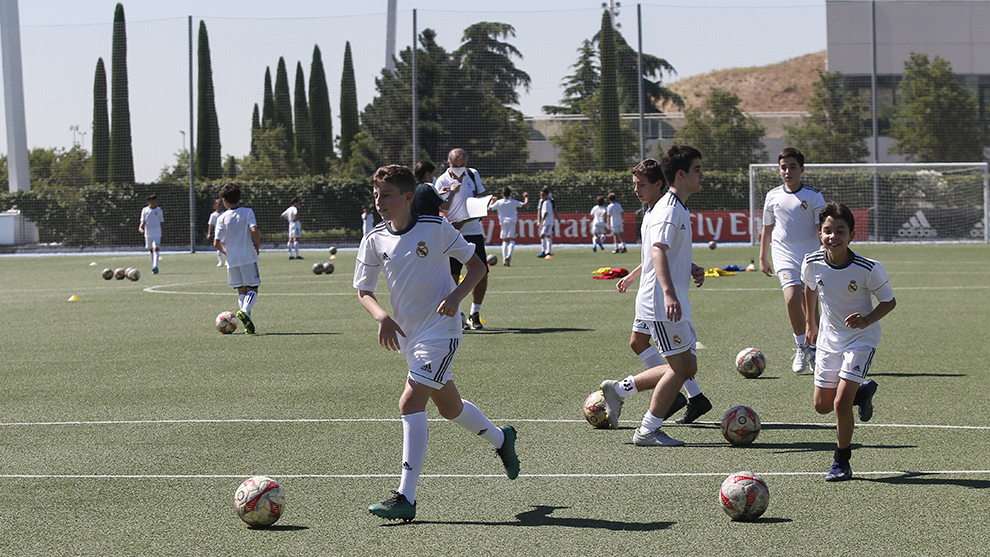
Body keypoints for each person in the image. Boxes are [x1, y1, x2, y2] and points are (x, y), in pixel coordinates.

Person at [354, 164, 519, 522]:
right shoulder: (374, 239)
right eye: (376, 195)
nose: (380, 202)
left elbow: (477, 267)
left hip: (442, 332)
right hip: (409, 338)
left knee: (410, 402)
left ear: (408, 197)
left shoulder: (436, 228)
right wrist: (381, 316)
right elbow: (364, 290)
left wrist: (457, 297)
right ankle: (502, 440)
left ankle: (405, 497)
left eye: (387, 195)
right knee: (449, 407)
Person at [600, 157, 711, 432]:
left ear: (659, 184)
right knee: (639, 342)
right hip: (651, 291)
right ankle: (684, 397)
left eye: (642, 185)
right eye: (634, 185)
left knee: (680, 365)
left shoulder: (664, 210)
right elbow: (654, 254)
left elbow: (663, 252)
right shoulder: (653, 211)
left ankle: (670, 396)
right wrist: (633, 275)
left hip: (657, 296)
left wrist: (679, 279)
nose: (636, 190)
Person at [802, 201, 894, 482]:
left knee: (841, 404)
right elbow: (809, 288)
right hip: (830, 340)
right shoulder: (811, 262)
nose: (833, 237)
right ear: (820, 234)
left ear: (852, 234)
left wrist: (866, 320)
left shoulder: (869, 268)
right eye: (828, 231)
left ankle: (842, 461)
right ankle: (862, 392)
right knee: (821, 405)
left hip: (861, 339)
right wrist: (811, 322)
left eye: (840, 231)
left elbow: (889, 302)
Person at [759, 147, 826, 373]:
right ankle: (801, 347)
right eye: (783, 167)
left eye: (792, 167)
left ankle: (814, 347)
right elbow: (767, 228)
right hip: (783, 253)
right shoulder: (773, 196)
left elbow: (821, 229)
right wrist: (762, 257)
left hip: (811, 255)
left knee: (810, 304)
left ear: (802, 169)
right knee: (791, 298)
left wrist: (826, 254)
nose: (787, 171)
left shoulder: (814, 196)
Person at [434, 148, 490, 330]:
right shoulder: (441, 180)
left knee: (481, 273)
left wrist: (487, 202)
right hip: (452, 233)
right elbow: (439, 207)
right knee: (452, 276)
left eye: (462, 165)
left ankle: (475, 313)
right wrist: (449, 223)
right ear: (448, 163)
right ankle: (457, 314)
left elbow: (480, 197)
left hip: (474, 231)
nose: (459, 169)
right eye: (455, 165)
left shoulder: (473, 174)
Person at [214, 183, 261, 335]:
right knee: (253, 288)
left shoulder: (222, 217)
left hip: (232, 259)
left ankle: (247, 320)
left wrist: (226, 252)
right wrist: (257, 246)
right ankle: (244, 311)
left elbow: (216, 242)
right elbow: (254, 230)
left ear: (225, 200)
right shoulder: (247, 212)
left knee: (241, 289)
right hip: (247, 256)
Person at [487, 186, 528, 266]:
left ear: (502, 194)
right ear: (510, 194)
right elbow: (525, 205)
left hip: (503, 222)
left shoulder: (499, 202)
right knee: (512, 240)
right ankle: (508, 256)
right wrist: (526, 197)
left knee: (504, 240)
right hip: (512, 221)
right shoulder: (513, 201)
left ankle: (504, 260)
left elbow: (489, 209)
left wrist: (492, 201)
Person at [139, 193, 164, 274]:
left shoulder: (159, 210)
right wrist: (140, 227)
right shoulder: (145, 210)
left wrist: (163, 233)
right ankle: (154, 265)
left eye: (155, 201)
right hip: (148, 233)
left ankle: (155, 266)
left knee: (156, 248)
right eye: (152, 202)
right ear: (148, 201)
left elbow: (162, 222)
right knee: (150, 249)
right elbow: (143, 221)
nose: (154, 203)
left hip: (157, 232)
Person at [536, 187, 555, 259]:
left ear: (546, 195)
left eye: (543, 195)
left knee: (543, 235)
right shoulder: (547, 202)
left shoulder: (546, 202)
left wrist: (541, 222)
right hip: (549, 221)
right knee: (548, 236)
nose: (541, 197)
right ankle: (548, 251)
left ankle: (544, 251)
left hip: (546, 222)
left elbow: (545, 213)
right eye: (541, 195)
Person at [207, 198, 225, 267]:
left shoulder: (224, 213)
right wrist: (209, 233)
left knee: (227, 246)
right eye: (218, 204)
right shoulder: (213, 215)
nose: (219, 206)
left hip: (225, 232)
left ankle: (227, 261)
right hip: (218, 232)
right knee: (218, 246)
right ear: (215, 205)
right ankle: (220, 262)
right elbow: (210, 225)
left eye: (221, 204)